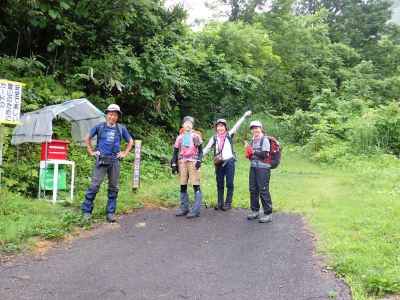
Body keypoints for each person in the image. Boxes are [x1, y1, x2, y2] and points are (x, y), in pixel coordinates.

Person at [81, 104, 134, 223]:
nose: (112, 117)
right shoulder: (99, 127)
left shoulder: (121, 128)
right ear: (106, 115)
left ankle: (110, 213)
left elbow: (130, 141)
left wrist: (124, 153)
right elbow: (87, 138)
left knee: (113, 187)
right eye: (110, 114)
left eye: (115, 115)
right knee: (94, 186)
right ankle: (86, 211)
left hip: (115, 161)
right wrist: (91, 151)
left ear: (117, 116)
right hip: (101, 160)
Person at [203, 110, 252, 210]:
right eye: (218, 126)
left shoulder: (229, 134)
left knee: (229, 183)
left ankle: (228, 203)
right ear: (216, 128)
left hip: (229, 162)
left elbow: (237, 125)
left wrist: (244, 116)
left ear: (225, 127)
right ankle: (220, 203)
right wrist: (198, 157)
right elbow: (207, 148)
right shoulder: (214, 138)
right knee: (219, 183)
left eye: (222, 126)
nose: (220, 128)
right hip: (219, 163)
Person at [171, 116, 203, 218]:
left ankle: (196, 210)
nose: (188, 125)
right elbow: (175, 151)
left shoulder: (196, 136)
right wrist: (174, 164)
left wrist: (199, 160)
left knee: (195, 184)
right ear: (183, 125)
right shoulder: (180, 137)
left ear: (192, 125)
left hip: (193, 161)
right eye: (186, 123)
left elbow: (201, 150)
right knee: (183, 184)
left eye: (190, 123)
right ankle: (184, 208)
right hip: (182, 162)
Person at [245, 120, 273, 223]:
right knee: (253, 189)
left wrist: (253, 151)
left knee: (263, 190)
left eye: (256, 127)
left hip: (263, 169)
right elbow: (252, 156)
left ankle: (268, 213)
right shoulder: (253, 140)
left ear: (261, 128)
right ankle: (255, 211)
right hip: (253, 167)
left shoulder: (264, 140)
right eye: (253, 128)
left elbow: (265, 155)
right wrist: (248, 154)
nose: (255, 130)